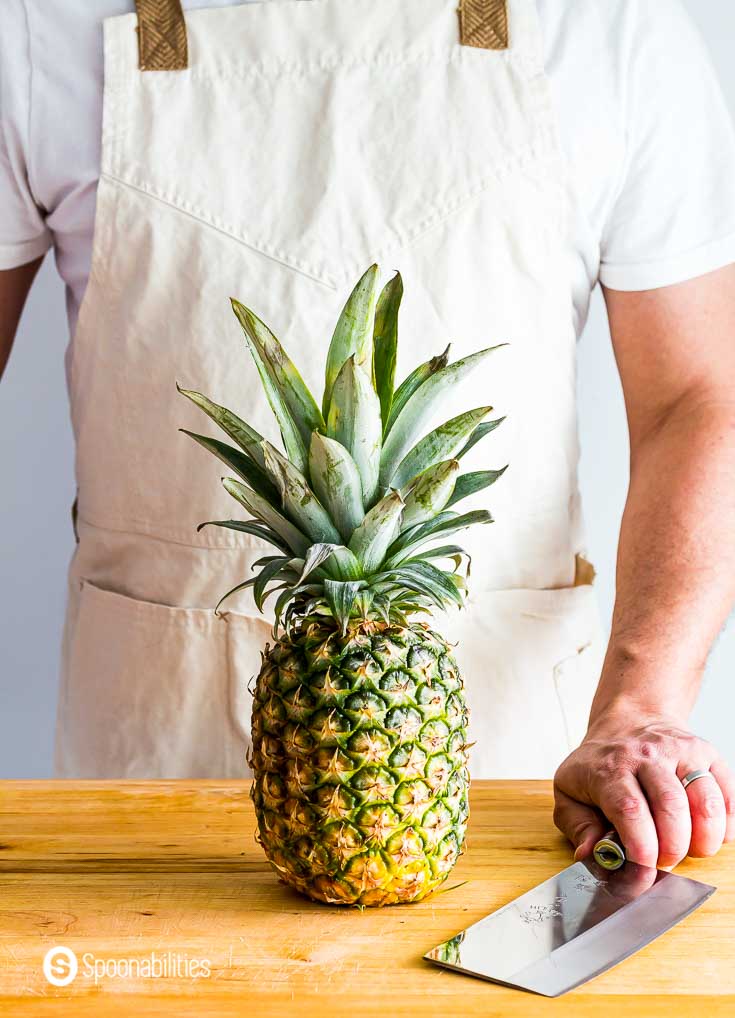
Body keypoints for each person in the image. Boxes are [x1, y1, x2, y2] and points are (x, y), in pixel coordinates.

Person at [1, 0, 734, 871]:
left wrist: (640, 704)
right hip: (148, 772)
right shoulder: (39, 27)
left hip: (516, 777)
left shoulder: (610, 26)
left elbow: (695, 398)